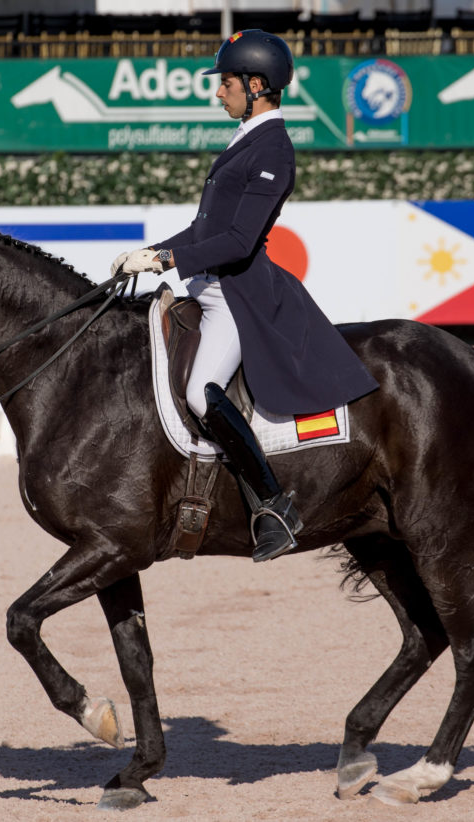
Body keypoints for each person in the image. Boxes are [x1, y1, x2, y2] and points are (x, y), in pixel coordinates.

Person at [114, 30, 379, 562]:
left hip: (237, 294)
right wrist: (149, 253)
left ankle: (274, 504)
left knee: (198, 392)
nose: (219, 93)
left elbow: (236, 242)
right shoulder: (244, 139)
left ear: (257, 85)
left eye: (227, 83)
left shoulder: (274, 148)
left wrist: (167, 261)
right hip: (205, 283)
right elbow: (203, 228)